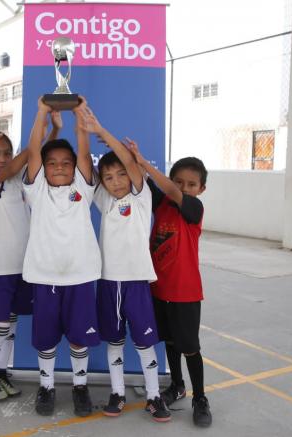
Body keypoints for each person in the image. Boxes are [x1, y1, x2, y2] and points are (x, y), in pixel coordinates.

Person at [78, 107, 170, 422]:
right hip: (108, 282)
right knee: (114, 341)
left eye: (120, 175)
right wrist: (83, 132)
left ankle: (155, 396)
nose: (116, 182)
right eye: (108, 177)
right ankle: (117, 392)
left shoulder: (141, 196)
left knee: (145, 343)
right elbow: (86, 171)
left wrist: (101, 131)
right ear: (101, 183)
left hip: (138, 282)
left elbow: (130, 163)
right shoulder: (103, 200)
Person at [0, 114, 62, 402]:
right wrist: (39, 124)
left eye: (6, 153)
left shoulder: (17, 183)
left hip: (22, 267)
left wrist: (55, 130)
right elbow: (24, 159)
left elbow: (32, 159)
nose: (2, 159)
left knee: (11, 325)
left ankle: (1, 372)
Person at [22, 97, 101, 417]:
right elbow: (31, 154)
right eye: (52, 162)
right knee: (46, 339)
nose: (58, 166)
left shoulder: (84, 187)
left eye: (65, 163)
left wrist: (81, 116)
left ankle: (80, 386)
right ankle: (47, 386)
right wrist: (42, 114)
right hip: (44, 277)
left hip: (81, 276)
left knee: (80, 339)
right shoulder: (36, 190)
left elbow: (83, 153)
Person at [128, 144, 212, 428]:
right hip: (158, 289)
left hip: (185, 292)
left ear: (201, 189)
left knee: (190, 346)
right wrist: (133, 159)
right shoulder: (160, 202)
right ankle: (177, 385)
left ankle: (200, 398)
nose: (184, 188)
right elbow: (141, 179)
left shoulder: (194, 208)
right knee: (170, 341)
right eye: (178, 181)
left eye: (191, 184)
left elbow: (170, 191)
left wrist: (146, 163)